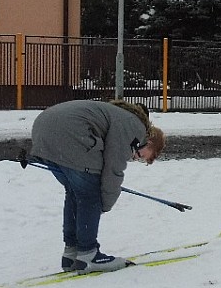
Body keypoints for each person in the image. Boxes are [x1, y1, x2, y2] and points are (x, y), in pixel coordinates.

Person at [29, 99, 166, 273]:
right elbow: (113, 167)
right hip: (70, 135)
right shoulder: (134, 126)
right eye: (141, 156)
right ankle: (88, 254)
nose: (134, 157)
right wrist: (102, 204)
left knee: (75, 193)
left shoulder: (115, 114)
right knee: (89, 196)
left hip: (43, 132)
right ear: (149, 141)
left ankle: (71, 253)